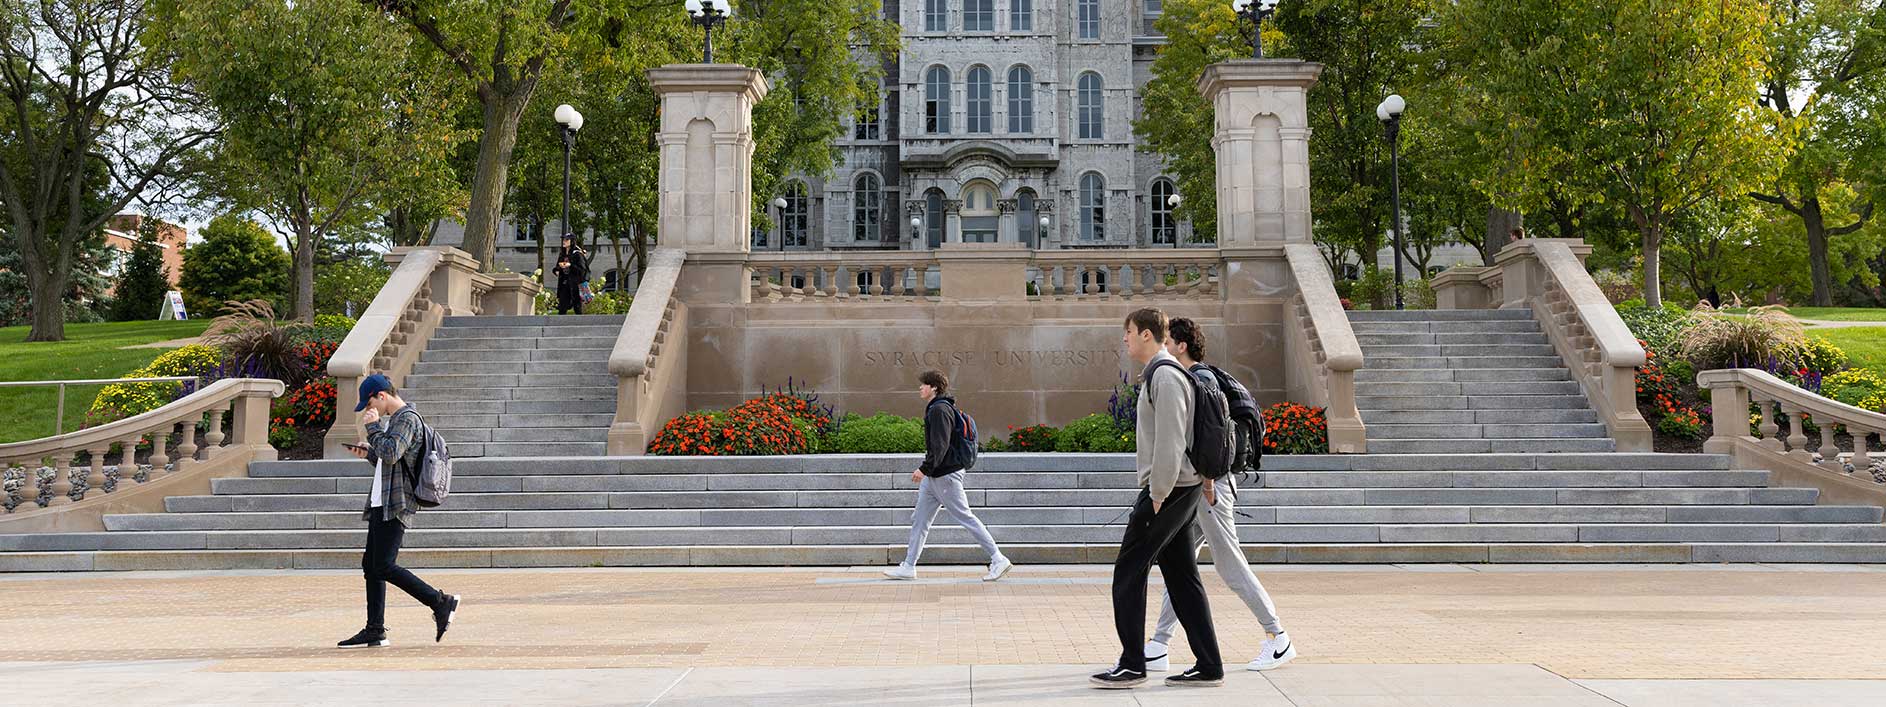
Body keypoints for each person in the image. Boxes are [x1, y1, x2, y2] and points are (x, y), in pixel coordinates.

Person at [1142, 317, 1294, 673]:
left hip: (1211, 486)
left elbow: (1210, 437)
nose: (1164, 349)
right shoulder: (1197, 377)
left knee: (1228, 562)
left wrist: (1209, 481)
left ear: (1181, 345)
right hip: (1204, 484)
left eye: (1169, 342)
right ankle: (1159, 644)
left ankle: (1278, 637)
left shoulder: (1200, 379)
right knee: (1181, 566)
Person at [1092, 308, 1223, 689]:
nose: (1125, 339)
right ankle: (1209, 664)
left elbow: (1170, 440)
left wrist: (1156, 494)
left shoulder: (1165, 376)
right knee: (1183, 577)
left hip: (1169, 490)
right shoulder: (1164, 374)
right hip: (1181, 487)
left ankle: (1132, 663)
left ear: (1148, 335)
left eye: (1129, 332)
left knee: (1128, 572)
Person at [337, 373, 460, 649]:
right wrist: (369, 452)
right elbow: (388, 459)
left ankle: (440, 602)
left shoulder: (406, 418)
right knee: (371, 565)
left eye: (370, 404)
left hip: (397, 502)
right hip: (384, 500)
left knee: (384, 565)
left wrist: (373, 429)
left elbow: (391, 453)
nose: (369, 410)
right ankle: (375, 629)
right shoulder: (395, 421)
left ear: (382, 395)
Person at [883, 370, 1014, 583]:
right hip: (935, 477)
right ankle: (908, 566)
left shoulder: (940, 410)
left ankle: (998, 559)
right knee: (920, 519)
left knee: (965, 517)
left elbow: (940, 445)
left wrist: (924, 468)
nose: (920, 388)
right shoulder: (939, 408)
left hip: (945, 476)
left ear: (934, 387)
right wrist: (928, 473)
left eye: (924, 385)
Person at [552, 233, 590, 315]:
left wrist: (570, 265)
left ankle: (579, 325)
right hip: (564, 283)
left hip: (575, 284)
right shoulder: (562, 254)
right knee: (562, 307)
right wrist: (556, 271)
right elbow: (558, 266)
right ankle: (559, 326)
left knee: (577, 307)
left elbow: (582, 270)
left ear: (572, 241)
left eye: (566, 240)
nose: (564, 241)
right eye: (563, 239)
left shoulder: (577, 254)